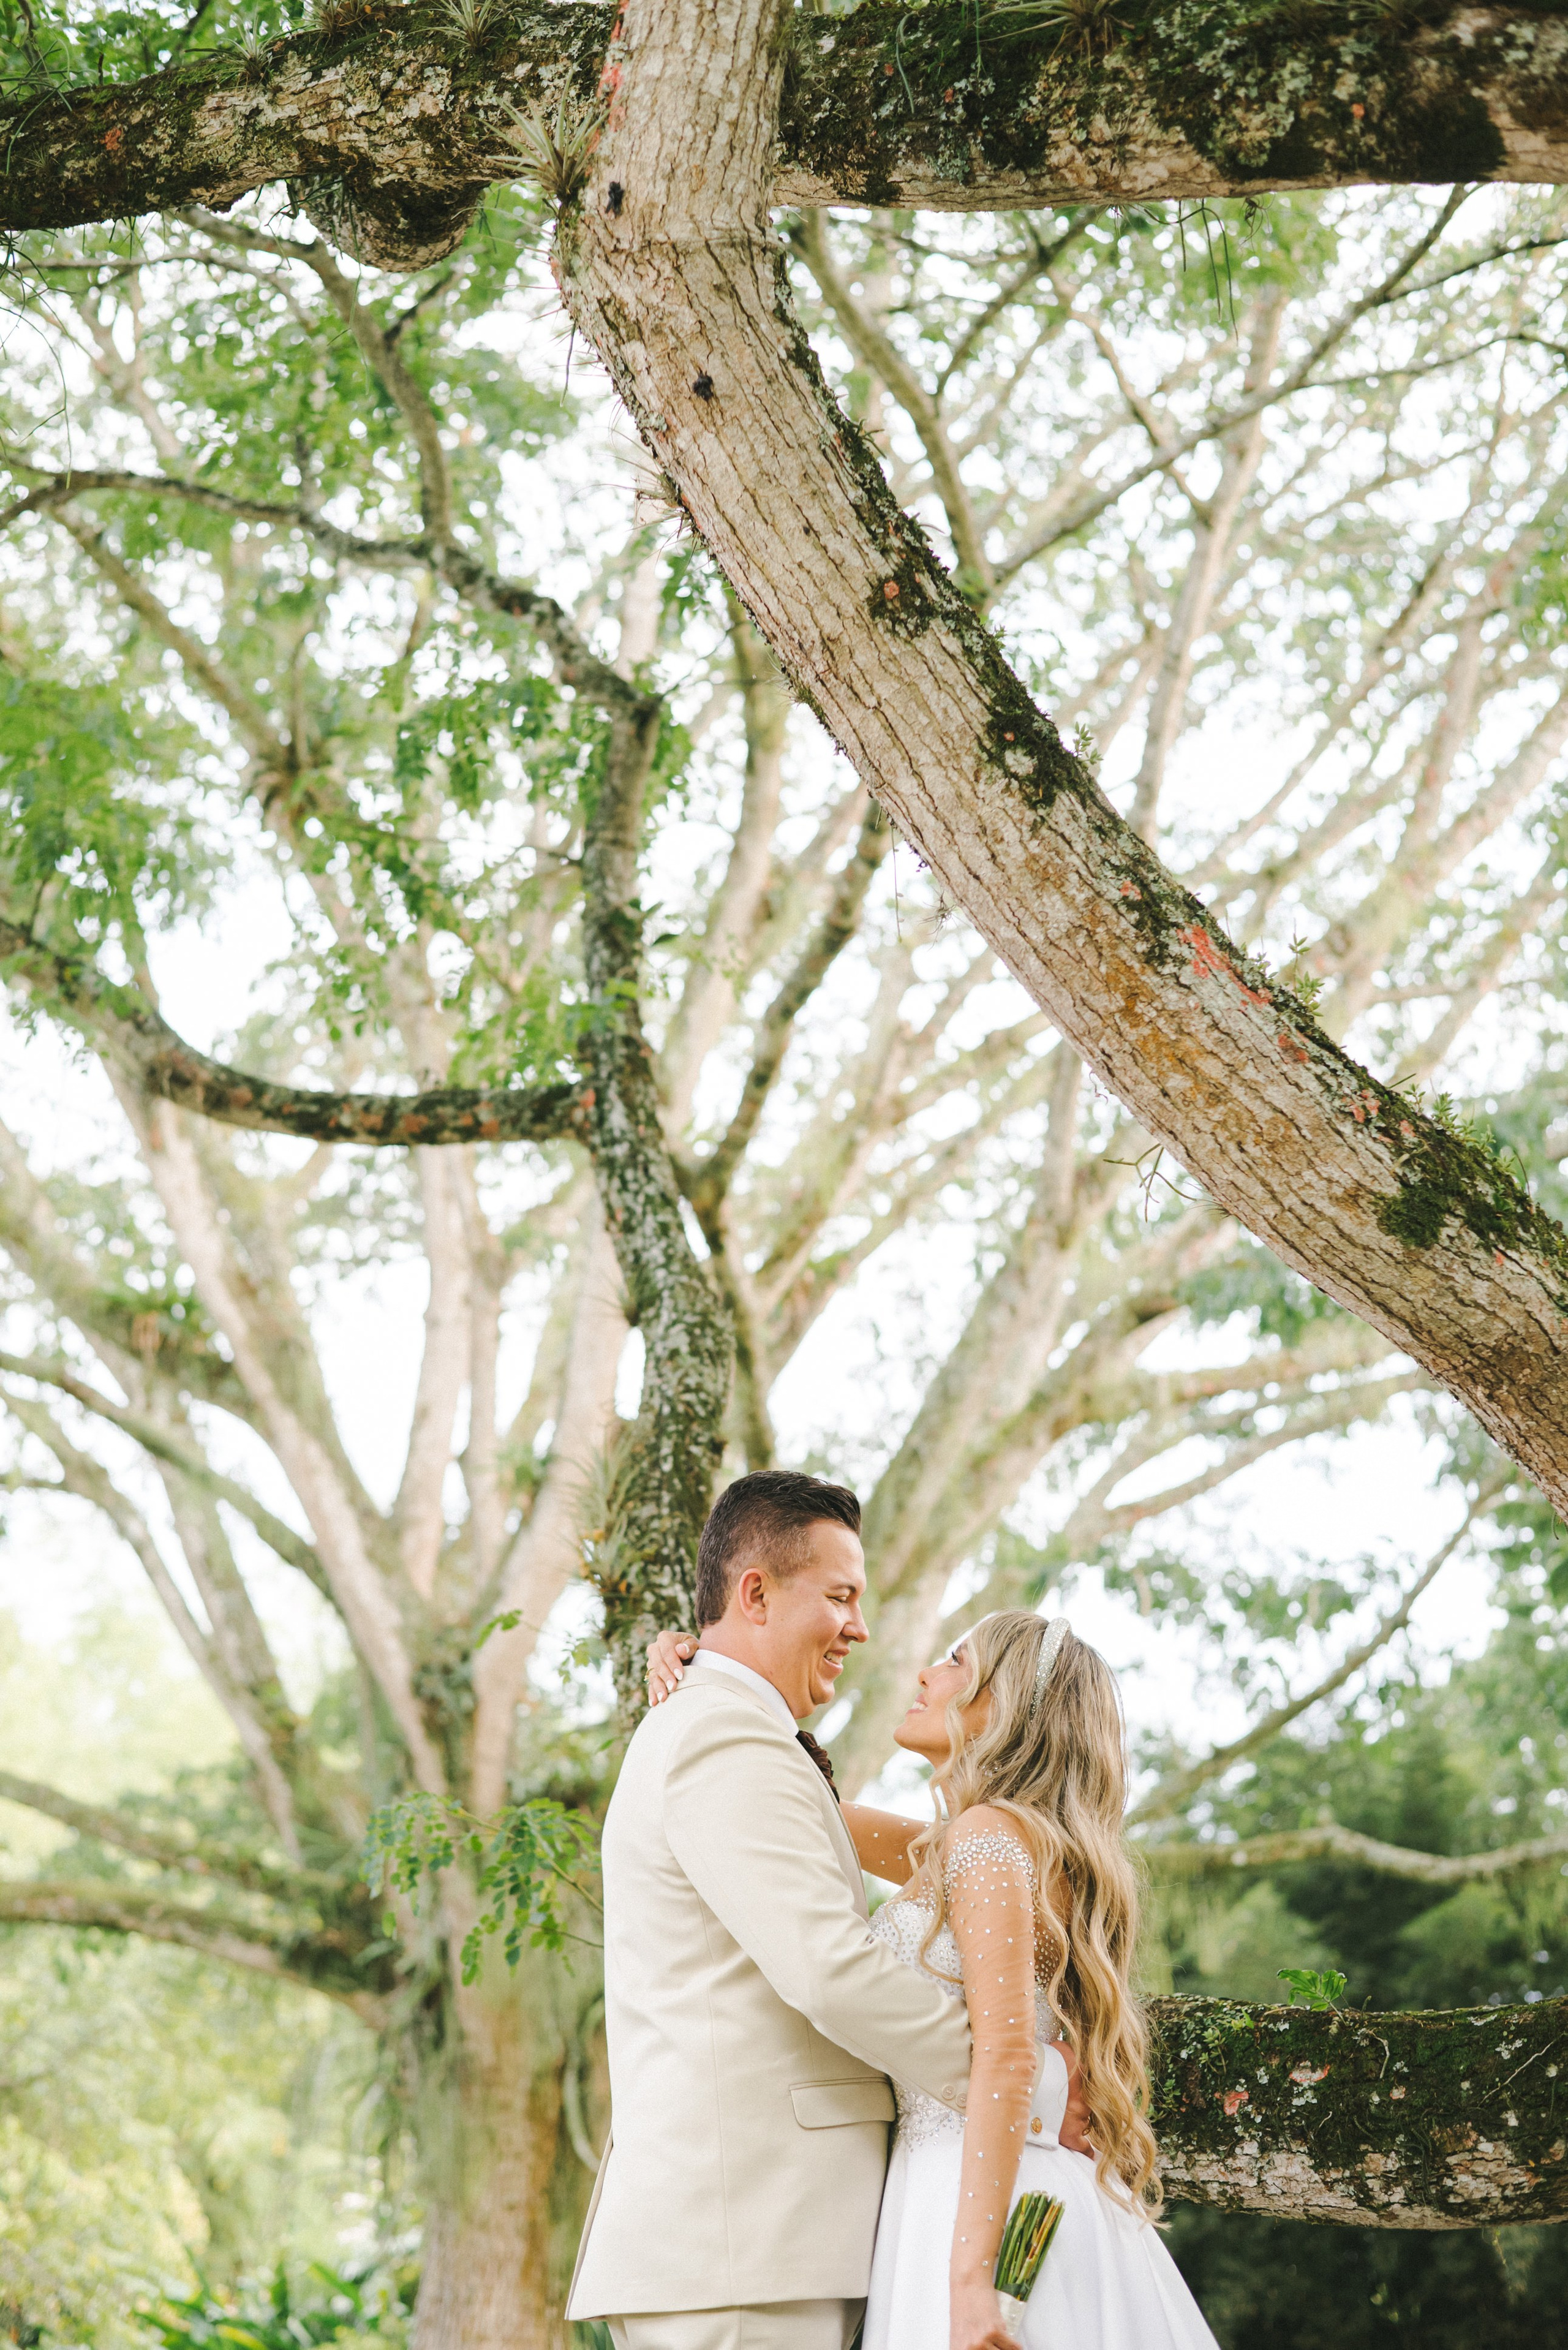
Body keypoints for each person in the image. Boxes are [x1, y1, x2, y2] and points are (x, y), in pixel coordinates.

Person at [570, 1471, 1098, 2350]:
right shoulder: (721, 1734)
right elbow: (828, 1970)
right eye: (842, 1596)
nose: (861, 1626)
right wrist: (1034, 2085)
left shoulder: (733, 1730)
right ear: (755, 1593)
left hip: (777, 2243)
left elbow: (956, 1863)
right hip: (744, 2247)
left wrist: (700, 1650)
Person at [645, 1603, 1220, 2350]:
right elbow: (802, 1811)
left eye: (954, 1661)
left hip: (974, 2205)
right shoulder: (975, 1842)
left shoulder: (985, 1840)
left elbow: (1008, 2056)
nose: (924, 1672)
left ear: (1000, 1703)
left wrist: (970, 2280)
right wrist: (709, 1670)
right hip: (967, 2192)